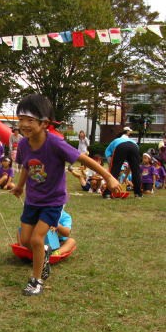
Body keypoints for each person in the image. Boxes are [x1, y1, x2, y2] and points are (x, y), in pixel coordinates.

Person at [11, 93, 121, 296]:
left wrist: (109, 177)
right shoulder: (25, 144)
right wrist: (19, 187)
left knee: (37, 239)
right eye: (21, 119)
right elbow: (27, 167)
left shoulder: (55, 143)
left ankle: (37, 280)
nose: (24, 124)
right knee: (25, 240)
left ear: (44, 123)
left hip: (53, 201)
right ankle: (44, 254)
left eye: (29, 120)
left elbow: (83, 159)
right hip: (32, 200)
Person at [104, 129, 142, 198]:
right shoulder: (133, 141)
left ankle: (108, 193)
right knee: (136, 171)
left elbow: (107, 153)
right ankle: (138, 193)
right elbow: (133, 166)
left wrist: (111, 165)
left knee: (114, 170)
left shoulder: (115, 141)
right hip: (135, 148)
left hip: (120, 147)